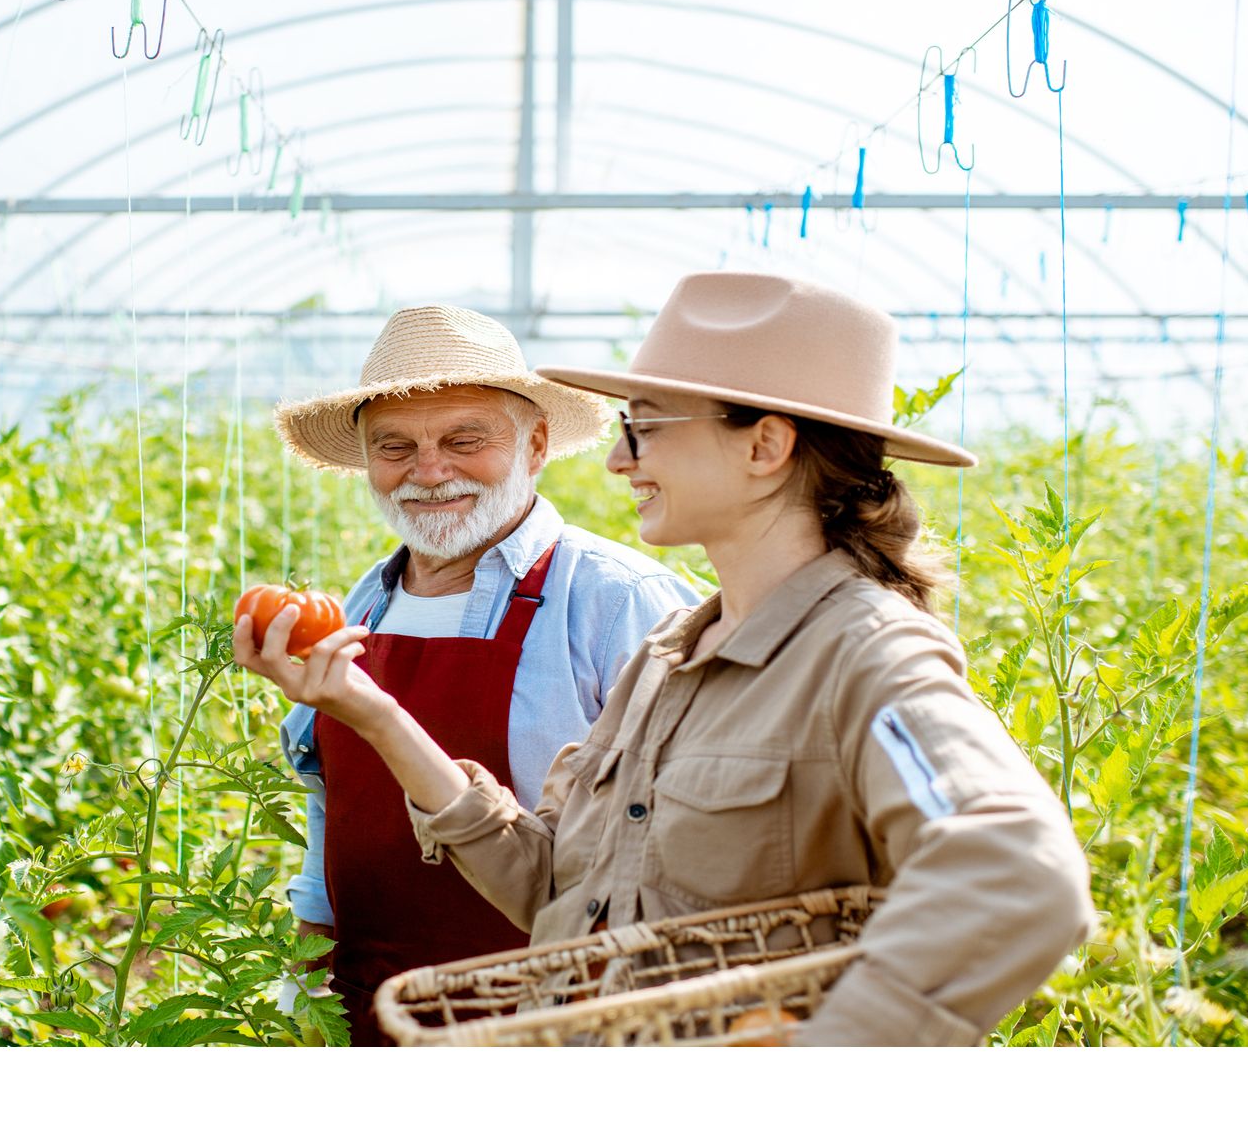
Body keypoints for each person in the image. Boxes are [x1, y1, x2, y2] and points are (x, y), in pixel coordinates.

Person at [240, 273, 1096, 1046]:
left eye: (645, 430)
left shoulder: (864, 655)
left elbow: (1021, 879)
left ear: (765, 447)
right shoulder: (672, 656)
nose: (617, 461)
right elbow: (561, 896)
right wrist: (374, 712)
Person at [269, 304, 698, 1045]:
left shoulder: (614, 599)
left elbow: (681, 842)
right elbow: (325, 795)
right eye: (394, 447)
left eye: (465, 440)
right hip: (367, 1006)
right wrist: (309, 959)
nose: (428, 472)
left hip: (554, 1017)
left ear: (534, 445)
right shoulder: (365, 601)